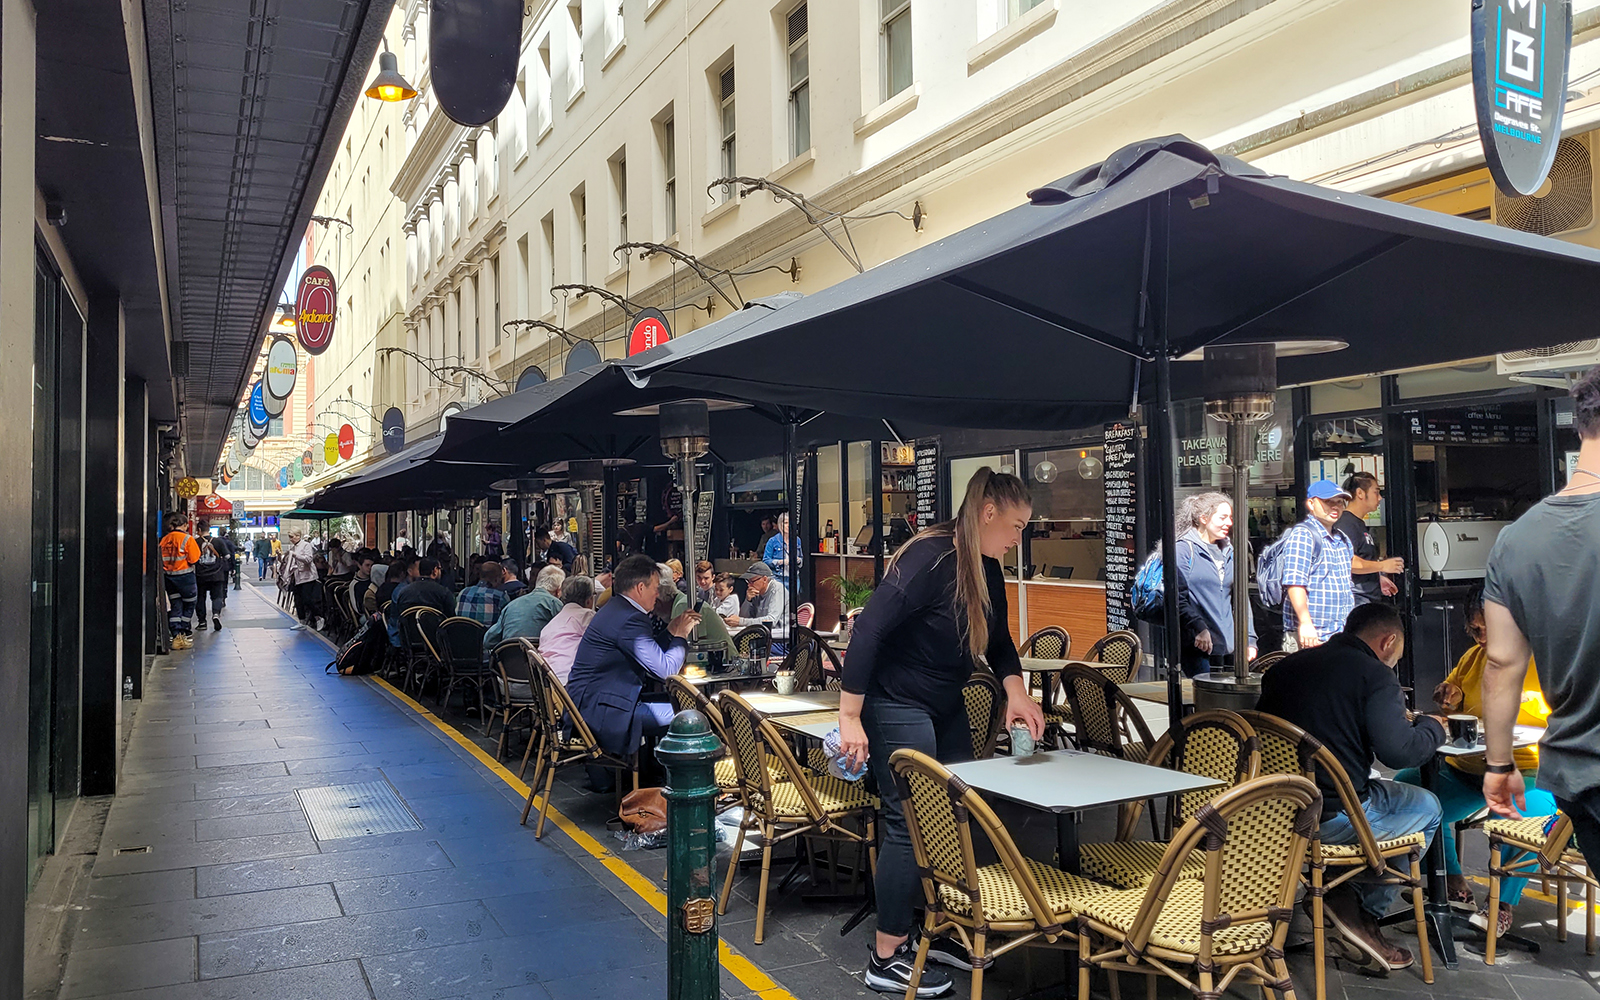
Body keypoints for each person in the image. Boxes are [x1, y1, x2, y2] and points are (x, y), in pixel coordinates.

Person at [1255, 603, 1444, 974]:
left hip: (1271, 808)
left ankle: (1338, 890)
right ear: (1388, 642)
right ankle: (1361, 913)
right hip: (1333, 818)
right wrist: (1434, 728)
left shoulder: (1284, 668)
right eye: (1396, 657)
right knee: (1428, 806)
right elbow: (1399, 751)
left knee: (1386, 793)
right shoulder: (1375, 676)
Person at [1482, 365, 1600, 872]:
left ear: (1580, 426)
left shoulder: (1515, 539)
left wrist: (1499, 764)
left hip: (1577, 774)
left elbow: (1502, 662)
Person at [1394, 584, 1554, 937]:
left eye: (1486, 629)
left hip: (1528, 771)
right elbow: (1449, 697)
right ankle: (1452, 882)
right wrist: (1446, 696)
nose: (1480, 637)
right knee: (1412, 788)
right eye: (1474, 629)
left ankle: (1501, 904)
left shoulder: (1544, 661)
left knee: (1513, 813)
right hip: (1468, 769)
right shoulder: (1473, 658)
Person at [565, 554, 700, 790]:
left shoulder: (616, 609)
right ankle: (686, 786)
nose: (658, 595)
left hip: (591, 703)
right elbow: (665, 670)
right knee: (691, 716)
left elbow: (646, 653)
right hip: (603, 710)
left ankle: (656, 775)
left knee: (676, 703)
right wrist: (680, 636)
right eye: (655, 588)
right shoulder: (630, 619)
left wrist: (669, 631)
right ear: (640, 587)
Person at [1172, 492, 1255, 677]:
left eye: (1231, 517)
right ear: (1203, 518)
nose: (1229, 523)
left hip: (1228, 646)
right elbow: (1177, 596)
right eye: (1223, 517)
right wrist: (1199, 627)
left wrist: (1249, 638)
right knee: (1203, 701)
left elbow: (1240, 598)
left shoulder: (1229, 550)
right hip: (1196, 644)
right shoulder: (1184, 549)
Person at [1279, 480, 1357, 650]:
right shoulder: (1303, 535)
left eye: (1340, 502)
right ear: (1311, 504)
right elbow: (1295, 583)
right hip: (1312, 636)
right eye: (1328, 502)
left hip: (1339, 634)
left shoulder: (1342, 539)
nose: (1335, 507)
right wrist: (1306, 623)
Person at [1335, 472, 1403, 606]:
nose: (1380, 498)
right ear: (1360, 493)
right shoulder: (1346, 524)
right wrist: (1382, 566)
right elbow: (1347, 562)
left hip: (1366, 599)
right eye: (1376, 492)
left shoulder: (1358, 524)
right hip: (1355, 601)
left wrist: (1376, 578)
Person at [486, 565, 566, 648]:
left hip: (509, 658)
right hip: (540, 658)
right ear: (559, 590)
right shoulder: (555, 604)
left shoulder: (511, 605)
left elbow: (488, 641)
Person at [537, 575, 598, 683]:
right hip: (571, 683)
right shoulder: (587, 616)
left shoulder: (549, 626)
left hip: (548, 685)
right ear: (589, 600)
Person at [159, 514, 202, 649]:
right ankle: (183, 631)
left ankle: (176, 634)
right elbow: (194, 559)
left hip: (168, 578)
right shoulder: (187, 539)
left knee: (176, 605)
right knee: (190, 603)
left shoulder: (163, 540)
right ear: (184, 525)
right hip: (185, 577)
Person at [726, 563, 787, 654]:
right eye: (748, 582)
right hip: (761, 637)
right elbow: (744, 617)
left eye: (752, 581)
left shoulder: (777, 590)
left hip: (779, 641)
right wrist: (748, 600)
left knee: (747, 650)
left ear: (765, 579)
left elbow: (771, 621)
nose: (749, 585)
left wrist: (741, 621)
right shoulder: (755, 592)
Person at [283, 530, 322, 632]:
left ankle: (319, 617)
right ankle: (302, 621)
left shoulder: (306, 545)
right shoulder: (293, 547)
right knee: (298, 599)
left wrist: (295, 555)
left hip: (308, 576)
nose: (290, 539)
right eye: (289, 537)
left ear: (298, 536)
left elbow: (308, 559)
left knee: (307, 599)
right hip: (297, 577)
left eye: (292, 536)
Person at [193, 529, 230, 632]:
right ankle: (216, 615)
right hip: (217, 574)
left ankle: (202, 622)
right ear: (208, 529)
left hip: (200, 575)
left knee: (200, 597)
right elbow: (227, 556)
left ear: (199, 530)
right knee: (217, 596)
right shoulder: (218, 541)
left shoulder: (196, 542)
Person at [457, 560, 509, 626]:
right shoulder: (500, 596)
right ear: (497, 579)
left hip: (462, 634)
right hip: (488, 635)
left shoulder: (463, 592)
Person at [763, 511, 799, 587]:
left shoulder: (797, 540)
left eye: (789, 523)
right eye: (785, 523)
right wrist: (780, 562)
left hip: (794, 577)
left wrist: (799, 560)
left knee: (794, 598)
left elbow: (802, 558)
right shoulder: (772, 541)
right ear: (780, 524)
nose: (788, 525)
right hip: (778, 578)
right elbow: (765, 560)